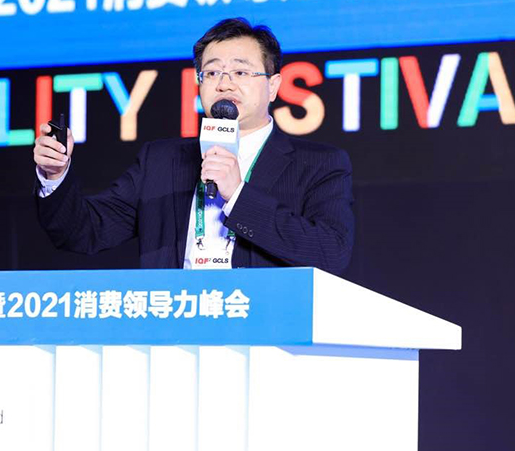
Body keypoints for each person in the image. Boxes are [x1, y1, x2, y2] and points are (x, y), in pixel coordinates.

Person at [33, 18, 354, 274]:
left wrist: (237, 195)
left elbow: (330, 252)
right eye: (211, 72)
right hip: (177, 324)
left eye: (240, 71)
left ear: (273, 86)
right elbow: (84, 232)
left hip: (264, 328)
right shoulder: (161, 160)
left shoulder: (318, 165)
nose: (224, 83)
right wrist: (54, 175)